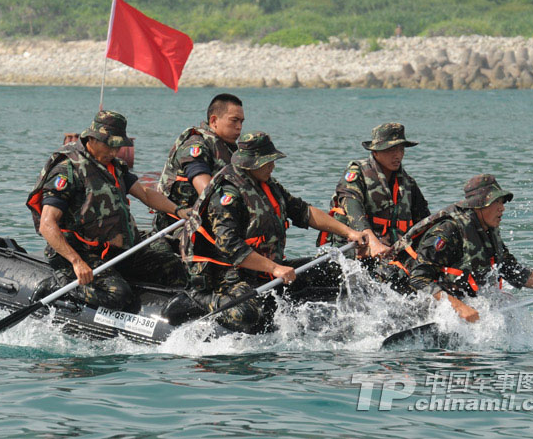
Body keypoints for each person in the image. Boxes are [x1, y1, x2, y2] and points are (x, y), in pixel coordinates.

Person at [178, 132, 373, 333]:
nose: (273, 166)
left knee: (334, 270)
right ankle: (199, 300)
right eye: (267, 162)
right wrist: (275, 268)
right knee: (246, 315)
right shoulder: (227, 194)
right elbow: (231, 248)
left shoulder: (268, 184)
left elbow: (303, 211)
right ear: (250, 163)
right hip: (227, 276)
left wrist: (349, 232)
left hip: (264, 270)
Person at [26, 110, 190, 310]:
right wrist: (76, 262)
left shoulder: (114, 166)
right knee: (117, 296)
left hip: (116, 251)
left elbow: (146, 194)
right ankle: (58, 285)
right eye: (109, 146)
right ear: (92, 139)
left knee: (173, 268)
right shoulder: (67, 170)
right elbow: (47, 224)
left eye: (118, 147)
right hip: (80, 252)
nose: (114, 153)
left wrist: (179, 210)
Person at [387, 174, 533, 322]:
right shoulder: (447, 231)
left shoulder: (489, 229)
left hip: (448, 297)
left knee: (506, 302)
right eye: (497, 203)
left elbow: (513, 271)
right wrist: (458, 307)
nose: (502, 208)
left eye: (503, 202)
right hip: (402, 295)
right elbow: (418, 278)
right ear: (479, 205)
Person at [319, 123, 429, 259]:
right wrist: (372, 241)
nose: (397, 155)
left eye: (401, 150)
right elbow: (352, 207)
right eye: (391, 150)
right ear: (375, 152)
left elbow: (424, 221)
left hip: (394, 251)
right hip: (357, 251)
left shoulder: (408, 183)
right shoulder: (357, 173)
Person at [153, 93, 245, 239]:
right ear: (214, 120)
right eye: (234, 121)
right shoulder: (196, 145)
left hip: (212, 221)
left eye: (241, 122)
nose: (239, 127)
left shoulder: (231, 150)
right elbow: (207, 192)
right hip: (179, 225)